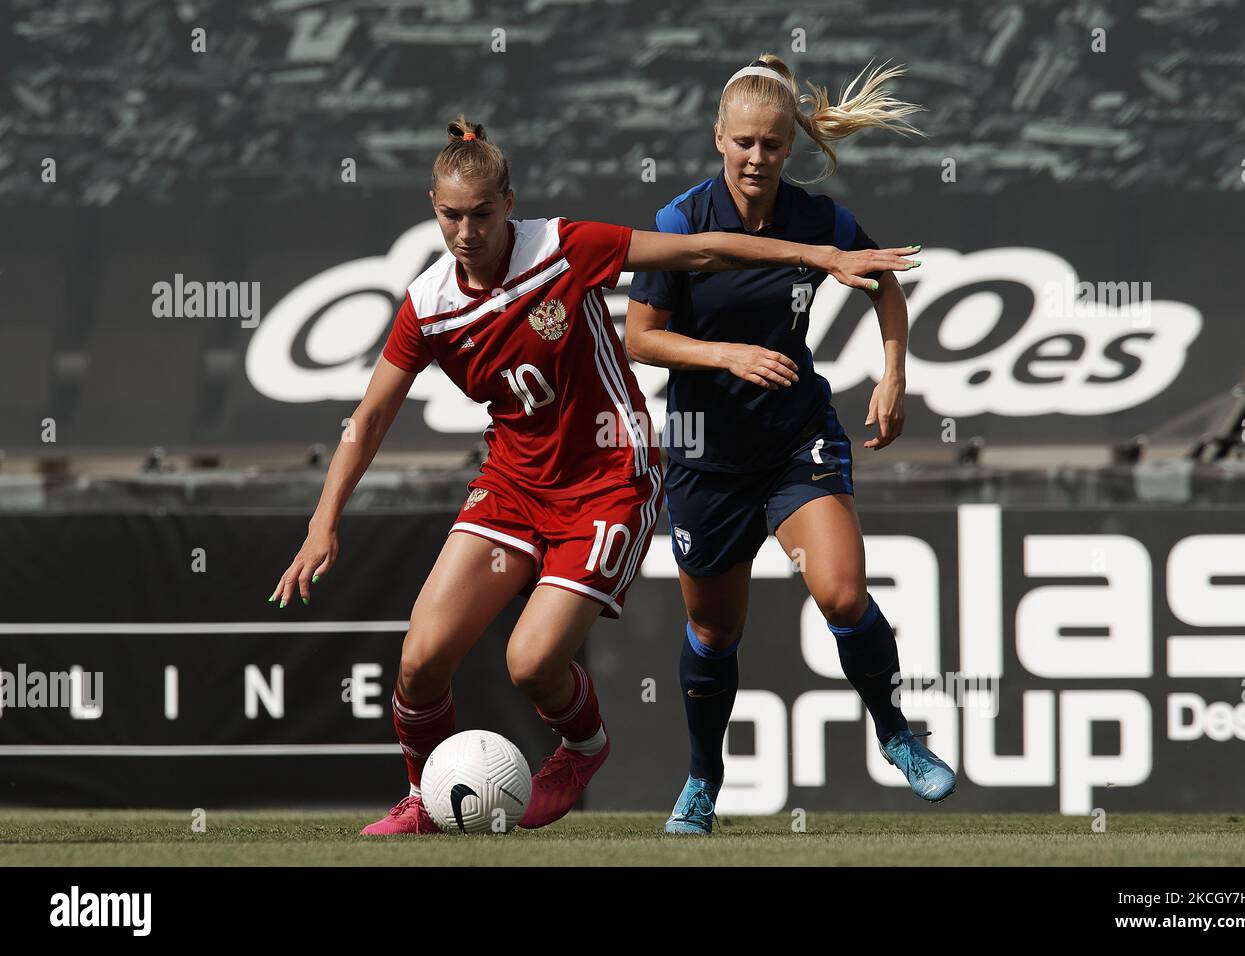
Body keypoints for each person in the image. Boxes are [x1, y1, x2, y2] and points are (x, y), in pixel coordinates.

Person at [267, 114, 917, 834]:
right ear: (433, 208)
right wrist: (323, 523)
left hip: (612, 478)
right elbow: (371, 416)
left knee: (530, 663)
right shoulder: (428, 306)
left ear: (509, 203)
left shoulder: (563, 247)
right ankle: (423, 800)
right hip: (513, 487)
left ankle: (583, 747)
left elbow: (698, 251)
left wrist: (816, 257)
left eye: (482, 214)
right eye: (451, 215)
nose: (466, 231)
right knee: (420, 662)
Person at [625, 56, 956, 835]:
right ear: (717, 137)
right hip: (705, 456)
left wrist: (893, 374)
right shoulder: (681, 221)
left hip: (794, 442)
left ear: (789, 148)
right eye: (742, 142)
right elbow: (641, 339)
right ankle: (703, 781)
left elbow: (882, 280)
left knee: (841, 592)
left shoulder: (822, 220)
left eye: (772, 145)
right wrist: (726, 355)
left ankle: (897, 734)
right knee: (714, 631)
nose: (755, 158)